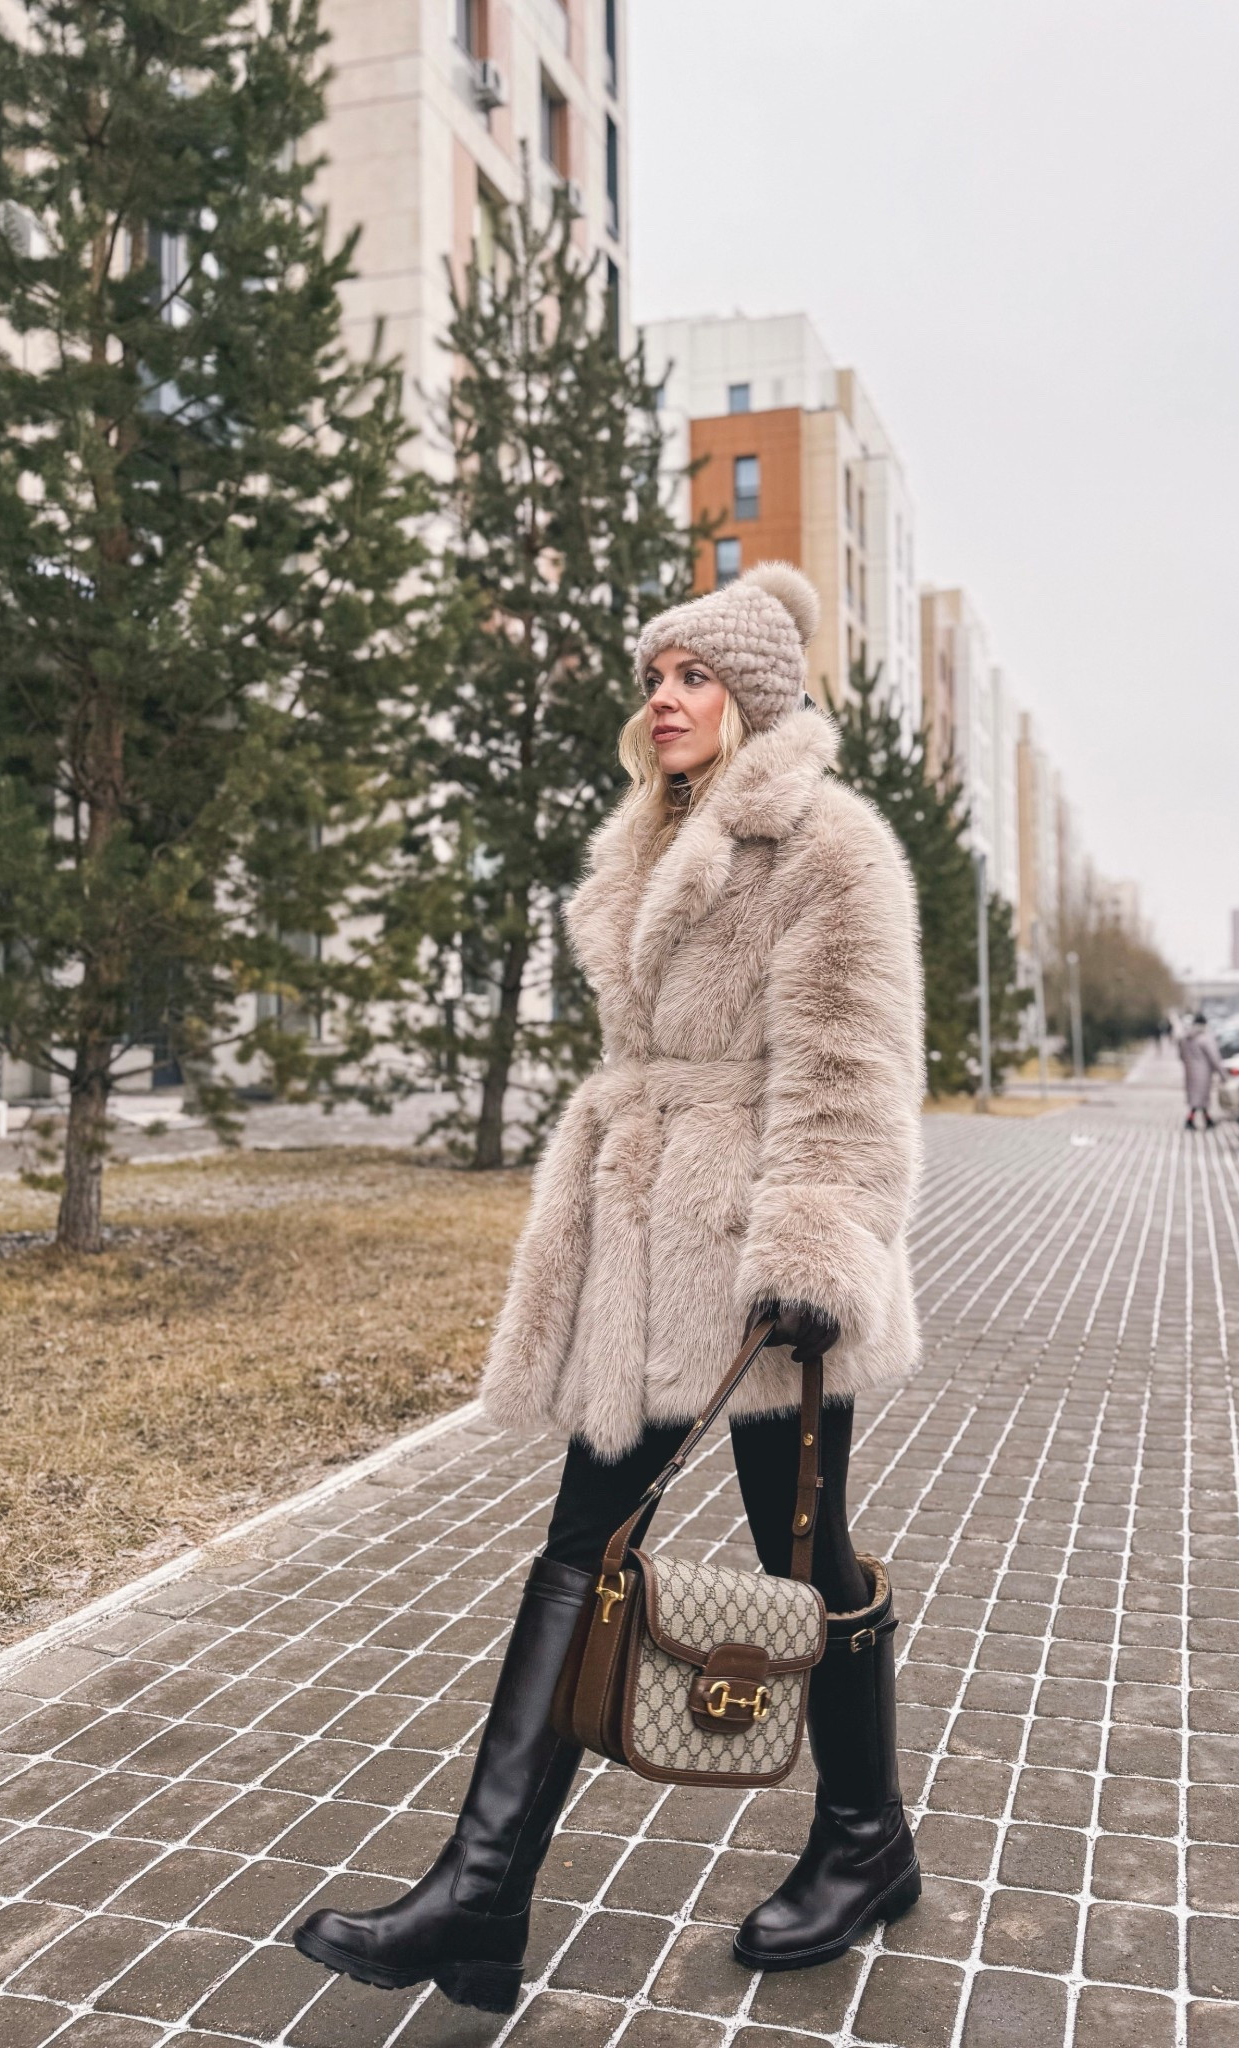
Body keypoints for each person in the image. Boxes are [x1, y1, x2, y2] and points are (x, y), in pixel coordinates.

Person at [294, 562, 926, 2010]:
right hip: (650, 1243)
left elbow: (852, 1067)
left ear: (754, 696)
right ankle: (488, 1896)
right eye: (656, 674)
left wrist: (814, 1249)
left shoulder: (828, 846)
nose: (663, 697)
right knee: (597, 1546)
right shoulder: (653, 840)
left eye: (693, 675)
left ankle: (853, 1839)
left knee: (801, 1557)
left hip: (762, 1254)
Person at [1178, 1011, 1225, 1129]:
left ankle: (1205, 1119)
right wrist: (1223, 1074)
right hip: (1203, 1072)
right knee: (1202, 1097)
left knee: (1196, 1098)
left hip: (1190, 1071)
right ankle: (1195, 1120)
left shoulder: (1185, 1038)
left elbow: (1181, 1055)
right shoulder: (1205, 1038)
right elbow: (1214, 1057)